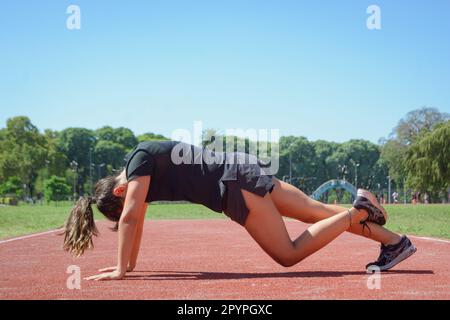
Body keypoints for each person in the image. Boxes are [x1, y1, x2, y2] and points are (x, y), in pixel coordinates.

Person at [63, 141, 416, 281]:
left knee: (288, 254)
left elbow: (129, 217)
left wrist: (121, 272)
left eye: (127, 202)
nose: (135, 207)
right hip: (240, 170)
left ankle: (358, 211)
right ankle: (396, 243)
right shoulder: (142, 167)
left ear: (121, 190)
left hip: (233, 184)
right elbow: (134, 219)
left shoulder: (138, 162)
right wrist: (130, 264)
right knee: (315, 212)